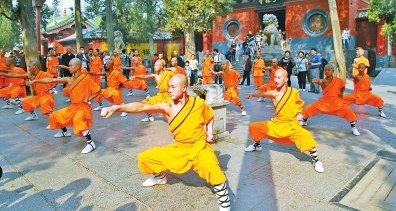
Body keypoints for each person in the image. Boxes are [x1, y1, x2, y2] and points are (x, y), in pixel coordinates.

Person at [101, 74, 231, 211]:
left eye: (173, 87)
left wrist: (209, 132)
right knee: (145, 157)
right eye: (169, 87)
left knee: (212, 168)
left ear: (184, 88)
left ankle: (224, 201)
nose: (169, 90)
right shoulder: (167, 107)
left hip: (199, 147)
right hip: (180, 148)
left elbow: (209, 116)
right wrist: (116, 108)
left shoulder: (198, 104)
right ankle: (160, 177)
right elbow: (141, 107)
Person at [243, 69, 324, 173]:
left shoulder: (293, 91)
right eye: (275, 77)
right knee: (253, 126)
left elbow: (298, 103)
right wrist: (252, 94)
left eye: (279, 77)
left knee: (306, 136)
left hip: (291, 124)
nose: (276, 80)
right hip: (277, 123)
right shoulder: (274, 93)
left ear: (286, 79)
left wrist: (299, 113)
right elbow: (262, 93)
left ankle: (316, 161)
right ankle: (257, 145)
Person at [28, 58, 101, 154]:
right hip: (73, 106)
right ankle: (65, 132)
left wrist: (89, 98)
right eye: (69, 65)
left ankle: (91, 143)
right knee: (54, 116)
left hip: (83, 107)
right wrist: (35, 81)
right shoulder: (69, 79)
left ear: (78, 66)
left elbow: (98, 90)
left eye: (71, 65)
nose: (69, 67)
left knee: (77, 120)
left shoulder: (86, 79)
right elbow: (51, 79)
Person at [301, 65, 360, 136]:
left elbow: (342, 86)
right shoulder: (323, 81)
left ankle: (354, 127)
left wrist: (341, 93)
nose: (327, 72)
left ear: (333, 71)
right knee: (308, 108)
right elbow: (319, 81)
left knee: (348, 111)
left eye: (329, 70)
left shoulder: (338, 80)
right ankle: (304, 121)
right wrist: (316, 81)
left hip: (336, 102)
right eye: (325, 70)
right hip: (324, 101)